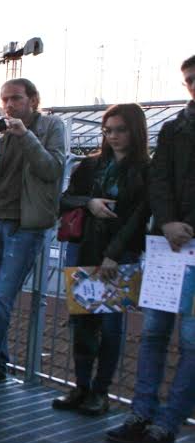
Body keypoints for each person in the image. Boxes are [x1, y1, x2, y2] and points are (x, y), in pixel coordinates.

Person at [106, 55, 195, 443]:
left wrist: (183, 224)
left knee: (192, 341)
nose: (192, 85)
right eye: (189, 80)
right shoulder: (175, 128)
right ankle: (142, 415)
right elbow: (158, 180)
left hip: (184, 241)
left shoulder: (176, 129)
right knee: (155, 333)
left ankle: (167, 423)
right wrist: (170, 222)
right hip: (168, 246)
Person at [53, 104, 150, 416]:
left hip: (120, 254)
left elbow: (139, 216)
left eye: (120, 129)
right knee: (81, 321)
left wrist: (114, 255)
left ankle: (101, 391)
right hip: (85, 249)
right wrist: (90, 202)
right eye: (108, 130)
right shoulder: (92, 165)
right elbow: (64, 199)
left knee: (110, 326)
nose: (113, 136)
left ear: (135, 131)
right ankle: (81, 386)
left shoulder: (145, 170)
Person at [0, 78, 65, 384]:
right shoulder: (5, 133)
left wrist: (26, 136)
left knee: (0, 300)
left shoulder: (51, 127)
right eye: (4, 100)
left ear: (33, 100)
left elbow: (51, 169)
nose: (9, 105)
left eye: (16, 99)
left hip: (26, 224)